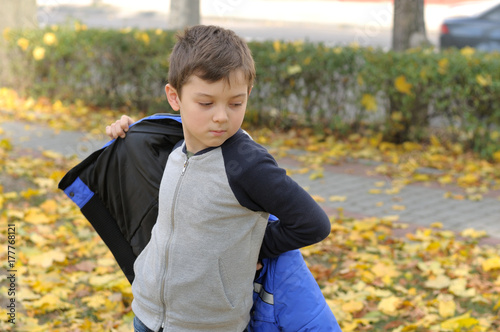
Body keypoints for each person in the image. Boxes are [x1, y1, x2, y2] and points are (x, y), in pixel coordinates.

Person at [108, 25, 331, 332]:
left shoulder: (248, 165)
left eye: (236, 103)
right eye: (206, 103)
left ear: (248, 94)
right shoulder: (175, 149)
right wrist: (131, 133)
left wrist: (248, 248)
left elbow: (313, 223)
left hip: (210, 324)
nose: (221, 117)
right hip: (146, 312)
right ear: (175, 97)